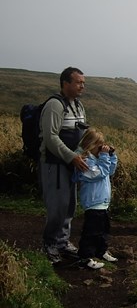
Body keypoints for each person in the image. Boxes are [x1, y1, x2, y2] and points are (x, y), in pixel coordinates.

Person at [40, 67, 89, 264]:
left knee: (69, 205)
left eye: (83, 83)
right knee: (57, 206)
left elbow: (83, 132)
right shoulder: (54, 105)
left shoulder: (78, 105)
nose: (82, 86)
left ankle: (62, 242)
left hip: (71, 163)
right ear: (65, 83)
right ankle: (49, 244)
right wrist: (71, 157)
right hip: (55, 163)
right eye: (78, 82)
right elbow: (51, 138)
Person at [73, 128, 119, 269]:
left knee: (104, 230)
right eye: (99, 146)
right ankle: (85, 257)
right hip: (93, 202)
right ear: (90, 145)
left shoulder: (98, 159)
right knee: (91, 232)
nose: (101, 148)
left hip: (102, 202)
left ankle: (101, 251)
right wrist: (104, 157)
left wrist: (111, 156)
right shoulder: (85, 161)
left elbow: (110, 171)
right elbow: (97, 174)